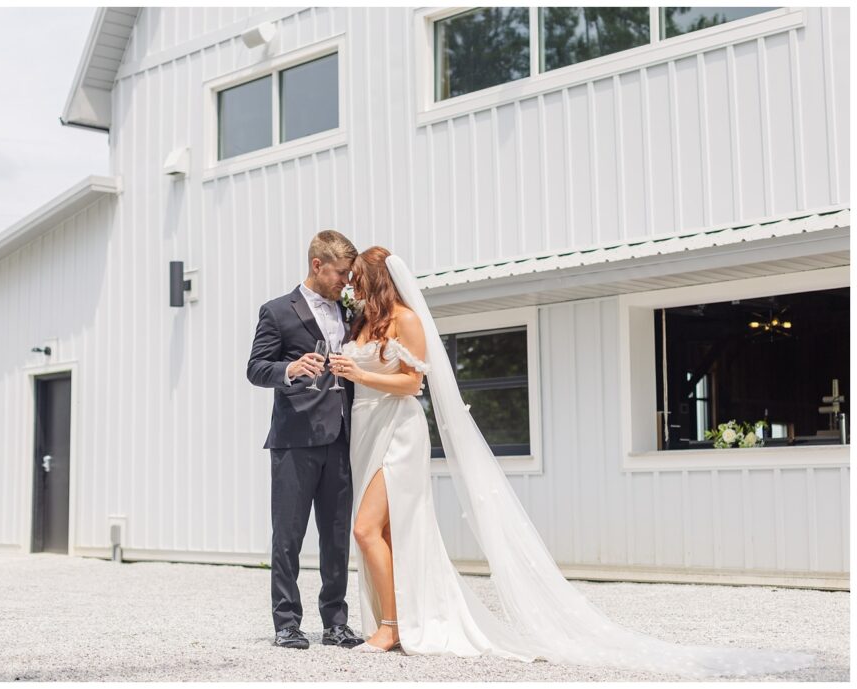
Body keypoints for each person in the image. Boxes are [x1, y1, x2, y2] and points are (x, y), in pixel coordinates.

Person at [326, 247, 814, 677]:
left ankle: (390, 628)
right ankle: (396, 619)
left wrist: (359, 376)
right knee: (385, 535)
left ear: (377, 281)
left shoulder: (407, 319)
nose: (352, 288)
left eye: (358, 281)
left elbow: (414, 385)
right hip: (366, 431)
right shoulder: (364, 322)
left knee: (366, 530)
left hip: (398, 434)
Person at [246, 230, 364, 650]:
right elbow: (256, 368)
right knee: (289, 534)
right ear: (317, 265)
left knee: (335, 535)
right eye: (340, 273)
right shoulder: (277, 311)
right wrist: (291, 369)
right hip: (294, 439)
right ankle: (286, 623)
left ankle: (335, 622)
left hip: (340, 437)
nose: (346, 282)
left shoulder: (350, 312)